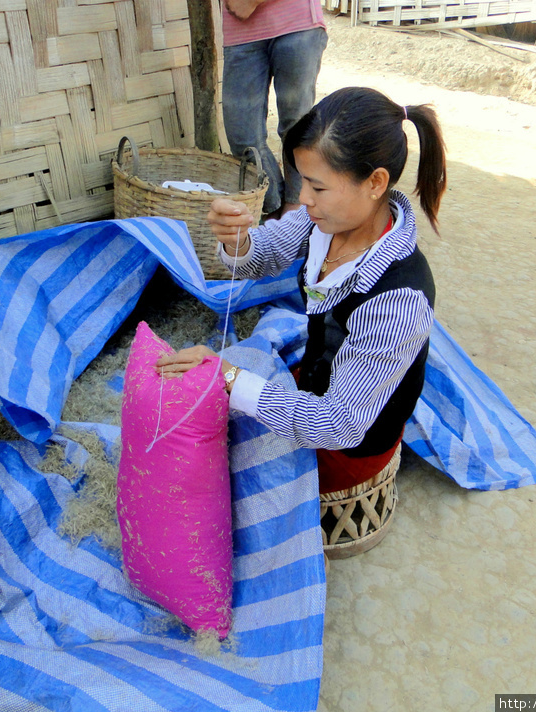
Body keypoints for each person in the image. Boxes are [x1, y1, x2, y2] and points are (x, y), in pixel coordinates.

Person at [156, 87, 447, 557]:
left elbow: (338, 425)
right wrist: (237, 238)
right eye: (302, 183)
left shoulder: (398, 298)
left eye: (317, 186)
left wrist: (230, 378)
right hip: (317, 387)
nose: (303, 199)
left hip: (349, 445)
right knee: (203, 408)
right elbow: (262, 252)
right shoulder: (323, 222)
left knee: (216, 455)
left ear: (375, 182)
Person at [221, 0, 328, 218]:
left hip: (296, 23)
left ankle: (296, 208)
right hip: (240, 31)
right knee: (242, 137)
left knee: (296, 126)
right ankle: (275, 209)